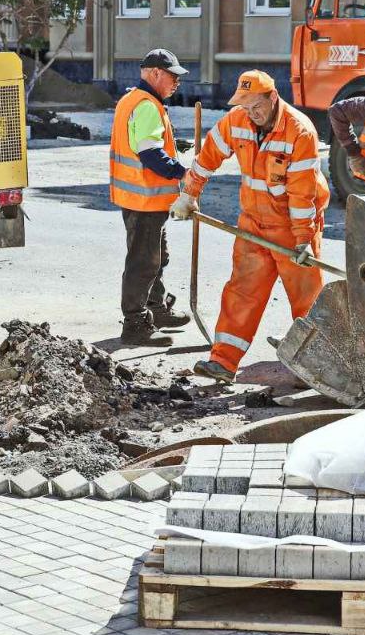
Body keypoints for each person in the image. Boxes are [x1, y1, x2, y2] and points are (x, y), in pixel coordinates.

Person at [170, 70, 330, 383]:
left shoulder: (299, 132)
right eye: (245, 107)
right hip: (254, 222)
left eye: (256, 107)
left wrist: (303, 240)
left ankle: (317, 368)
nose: (251, 114)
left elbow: (302, 194)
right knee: (242, 291)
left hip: (293, 225)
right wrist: (189, 194)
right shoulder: (237, 121)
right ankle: (223, 361)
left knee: (306, 298)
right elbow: (207, 158)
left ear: (273, 98)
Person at [109, 48, 194, 346]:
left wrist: (172, 146)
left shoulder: (134, 100)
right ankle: (135, 324)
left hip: (139, 199)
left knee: (157, 258)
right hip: (144, 199)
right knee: (143, 263)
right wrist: (180, 171)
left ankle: (156, 309)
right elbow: (148, 153)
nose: (177, 83)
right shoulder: (146, 105)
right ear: (156, 73)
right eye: (173, 77)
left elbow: (142, 143)